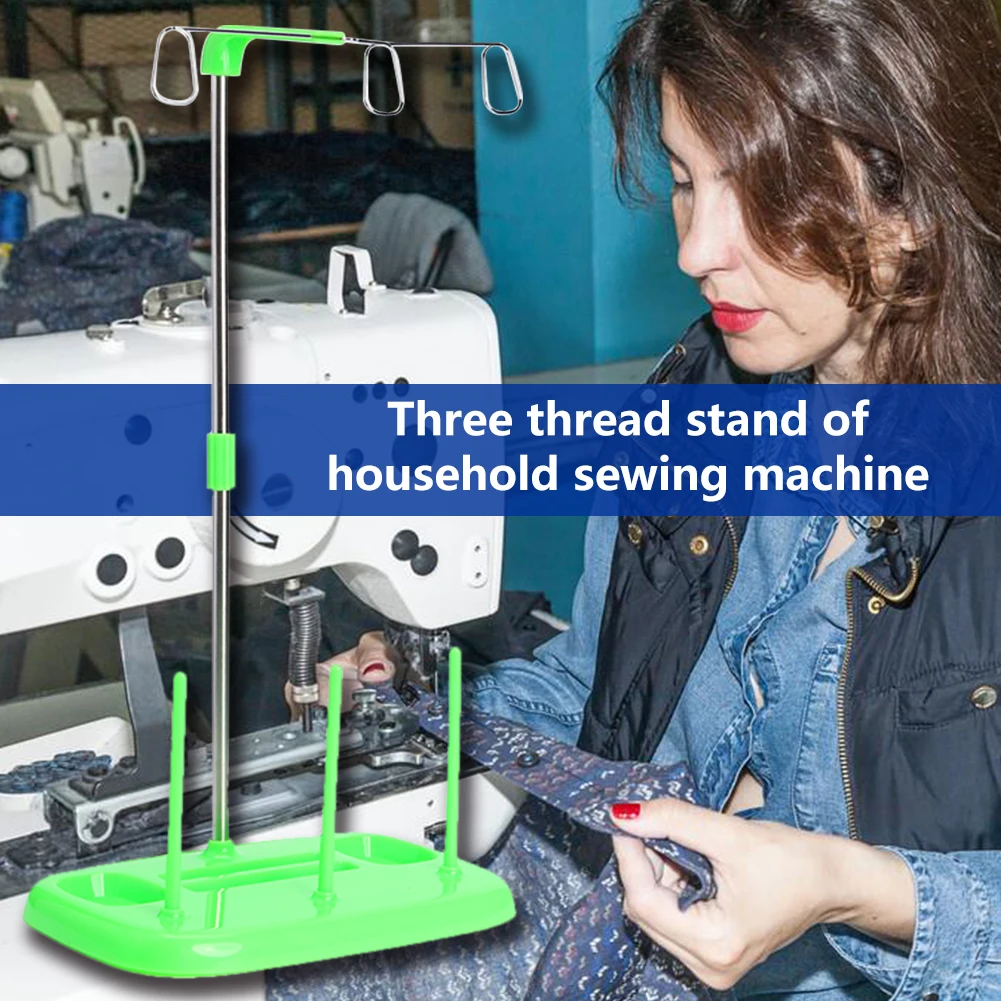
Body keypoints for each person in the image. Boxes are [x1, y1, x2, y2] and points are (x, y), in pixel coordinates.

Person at [279, 1, 1001, 997]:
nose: (695, 250)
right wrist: (425, 706)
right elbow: (598, 691)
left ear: (913, 200)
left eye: (762, 191)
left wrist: (858, 890)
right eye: (684, 181)